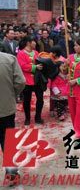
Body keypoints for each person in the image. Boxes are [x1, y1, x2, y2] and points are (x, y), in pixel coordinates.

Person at [0, 52, 26, 185]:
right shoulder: (9, 59)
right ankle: (11, 175)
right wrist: (12, 95)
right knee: (7, 141)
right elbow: (20, 81)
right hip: (5, 108)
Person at [17, 36, 44, 126]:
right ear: (28, 43)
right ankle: (27, 118)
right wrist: (35, 67)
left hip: (37, 80)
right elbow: (22, 66)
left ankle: (38, 117)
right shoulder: (21, 53)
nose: (35, 43)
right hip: (27, 80)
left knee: (40, 99)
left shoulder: (36, 52)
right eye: (34, 42)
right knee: (26, 100)